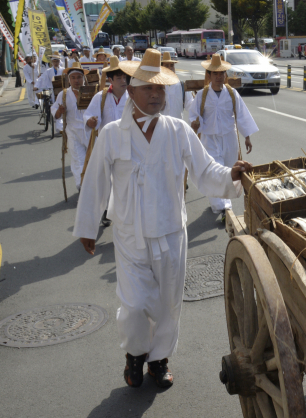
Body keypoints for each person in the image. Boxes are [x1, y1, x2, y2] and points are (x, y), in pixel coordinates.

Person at [73, 49, 251, 389]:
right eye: (148, 89)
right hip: (129, 234)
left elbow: (204, 169)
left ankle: (159, 360)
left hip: (171, 230)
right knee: (136, 304)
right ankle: (135, 354)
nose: (156, 95)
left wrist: (232, 174)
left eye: (161, 89)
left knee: (169, 302)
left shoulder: (178, 130)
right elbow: (95, 182)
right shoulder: (112, 134)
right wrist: (87, 226)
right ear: (132, 91)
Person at [189, 55, 258, 221]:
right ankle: (223, 208)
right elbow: (193, 114)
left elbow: (241, 115)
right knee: (214, 170)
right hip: (209, 138)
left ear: (225, 75)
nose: (219, 77)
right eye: (215, 74)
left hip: (229, 138)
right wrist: (195, 124)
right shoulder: (201, 95)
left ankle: (222, 202)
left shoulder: (232, 94)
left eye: (221, 74)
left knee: (228, 169)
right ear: (210, 75)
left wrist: (247, 137)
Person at [83, 56, 128, 227]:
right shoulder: (100, 97)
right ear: (110, 79)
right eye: (119, 78)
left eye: (125, 77)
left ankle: (122, 211)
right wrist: (90, 122)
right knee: (106, 180)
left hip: (128, 144)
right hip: (107, 145)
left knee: (124, 179)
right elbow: (88, 115)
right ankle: (105, 210)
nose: (123, 81)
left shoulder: (132, 97)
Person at [51, 62, 89, 191]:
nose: (76, 80)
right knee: (78, 160)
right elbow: (55, 111)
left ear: (83, 78)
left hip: (91, 132)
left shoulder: (92, 92)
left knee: (93, 160)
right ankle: (82, 187)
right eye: (73, 77)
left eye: (79, 77)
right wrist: (60, 111)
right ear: (69, 80)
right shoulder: (64, 94)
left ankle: (93, 186)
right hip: (73, 131)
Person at [160, 52, 194, 119]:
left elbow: (190, 106)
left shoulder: (182, 86)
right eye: (166, 66)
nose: (170, 68)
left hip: (177, 127)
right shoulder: (157, 86)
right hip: (161, 127)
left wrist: (199, 99)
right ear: (161, 68)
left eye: (172, 65)